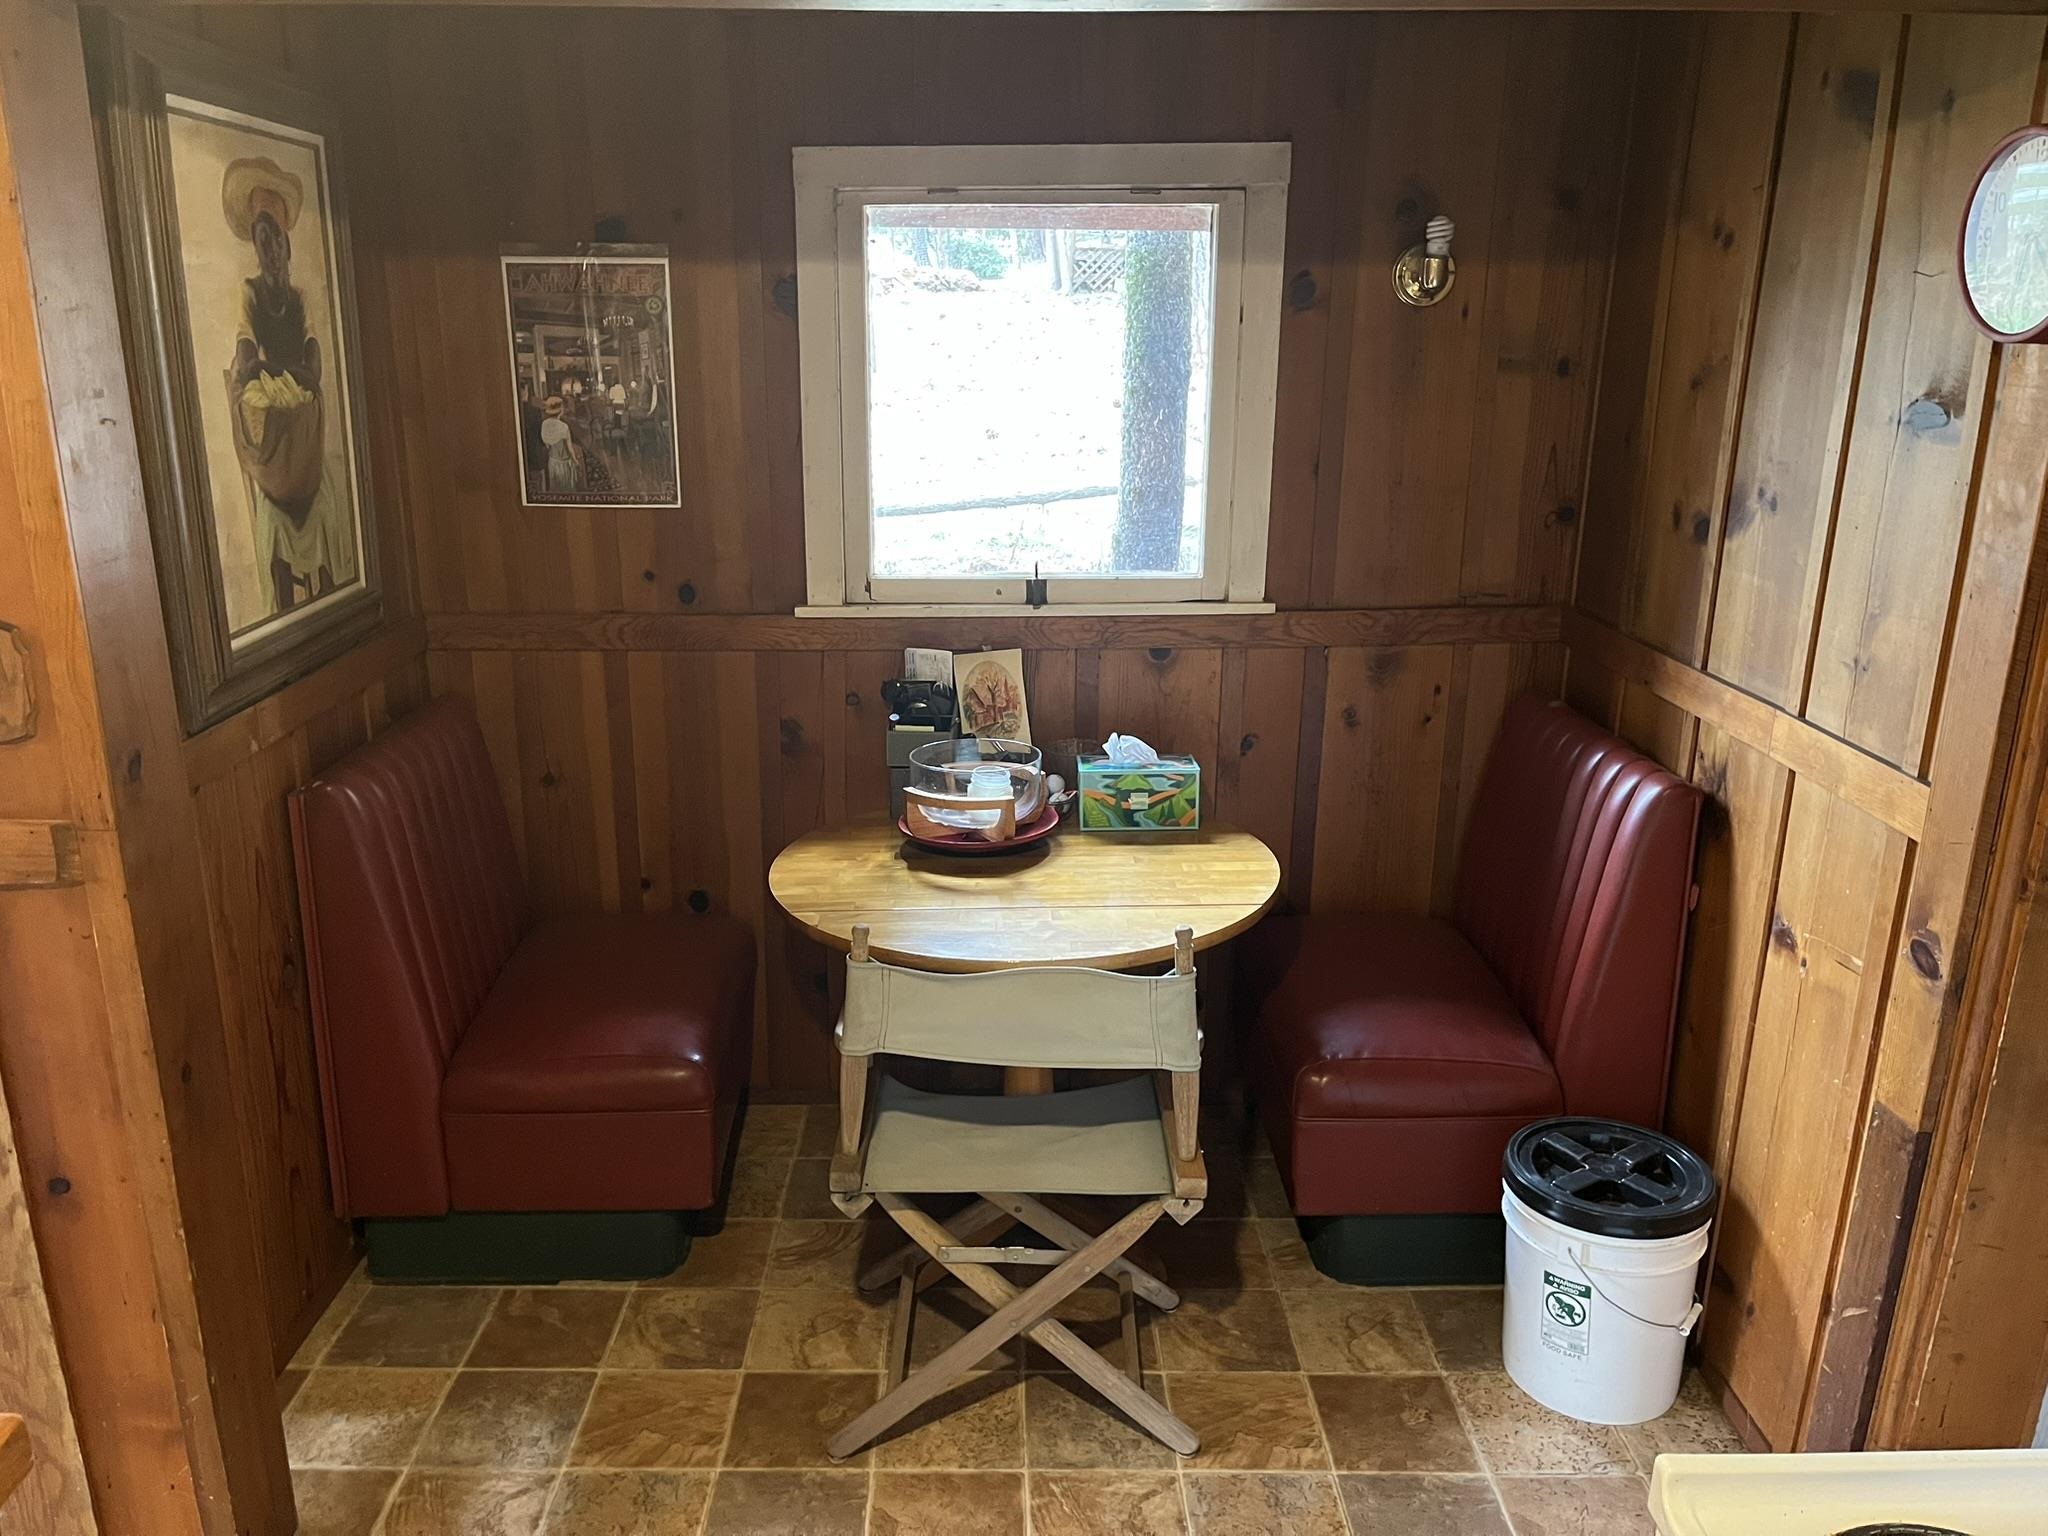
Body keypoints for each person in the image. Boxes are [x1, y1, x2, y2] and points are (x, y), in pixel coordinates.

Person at [221, 155, 354, 616]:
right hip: (275, 415)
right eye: (262, 238)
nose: (270, 247)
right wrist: (260, 372)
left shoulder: (299, 299)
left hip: (300, 412)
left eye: (275, 236)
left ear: (287, 243)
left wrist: (283, 374)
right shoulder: (251, 293)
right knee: (259, 411)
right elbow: (243, 356)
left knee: (304, 414)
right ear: (256, 246)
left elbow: (313, 369)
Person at [540, 396, 582, 495]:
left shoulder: (544, 424)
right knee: (567, 490)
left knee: (555, 489)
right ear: (560, 410)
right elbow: (570, 449)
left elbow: (546, 444)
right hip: (564, 463)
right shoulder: (564, 427)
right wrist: (576, 462)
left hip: (552, 462)